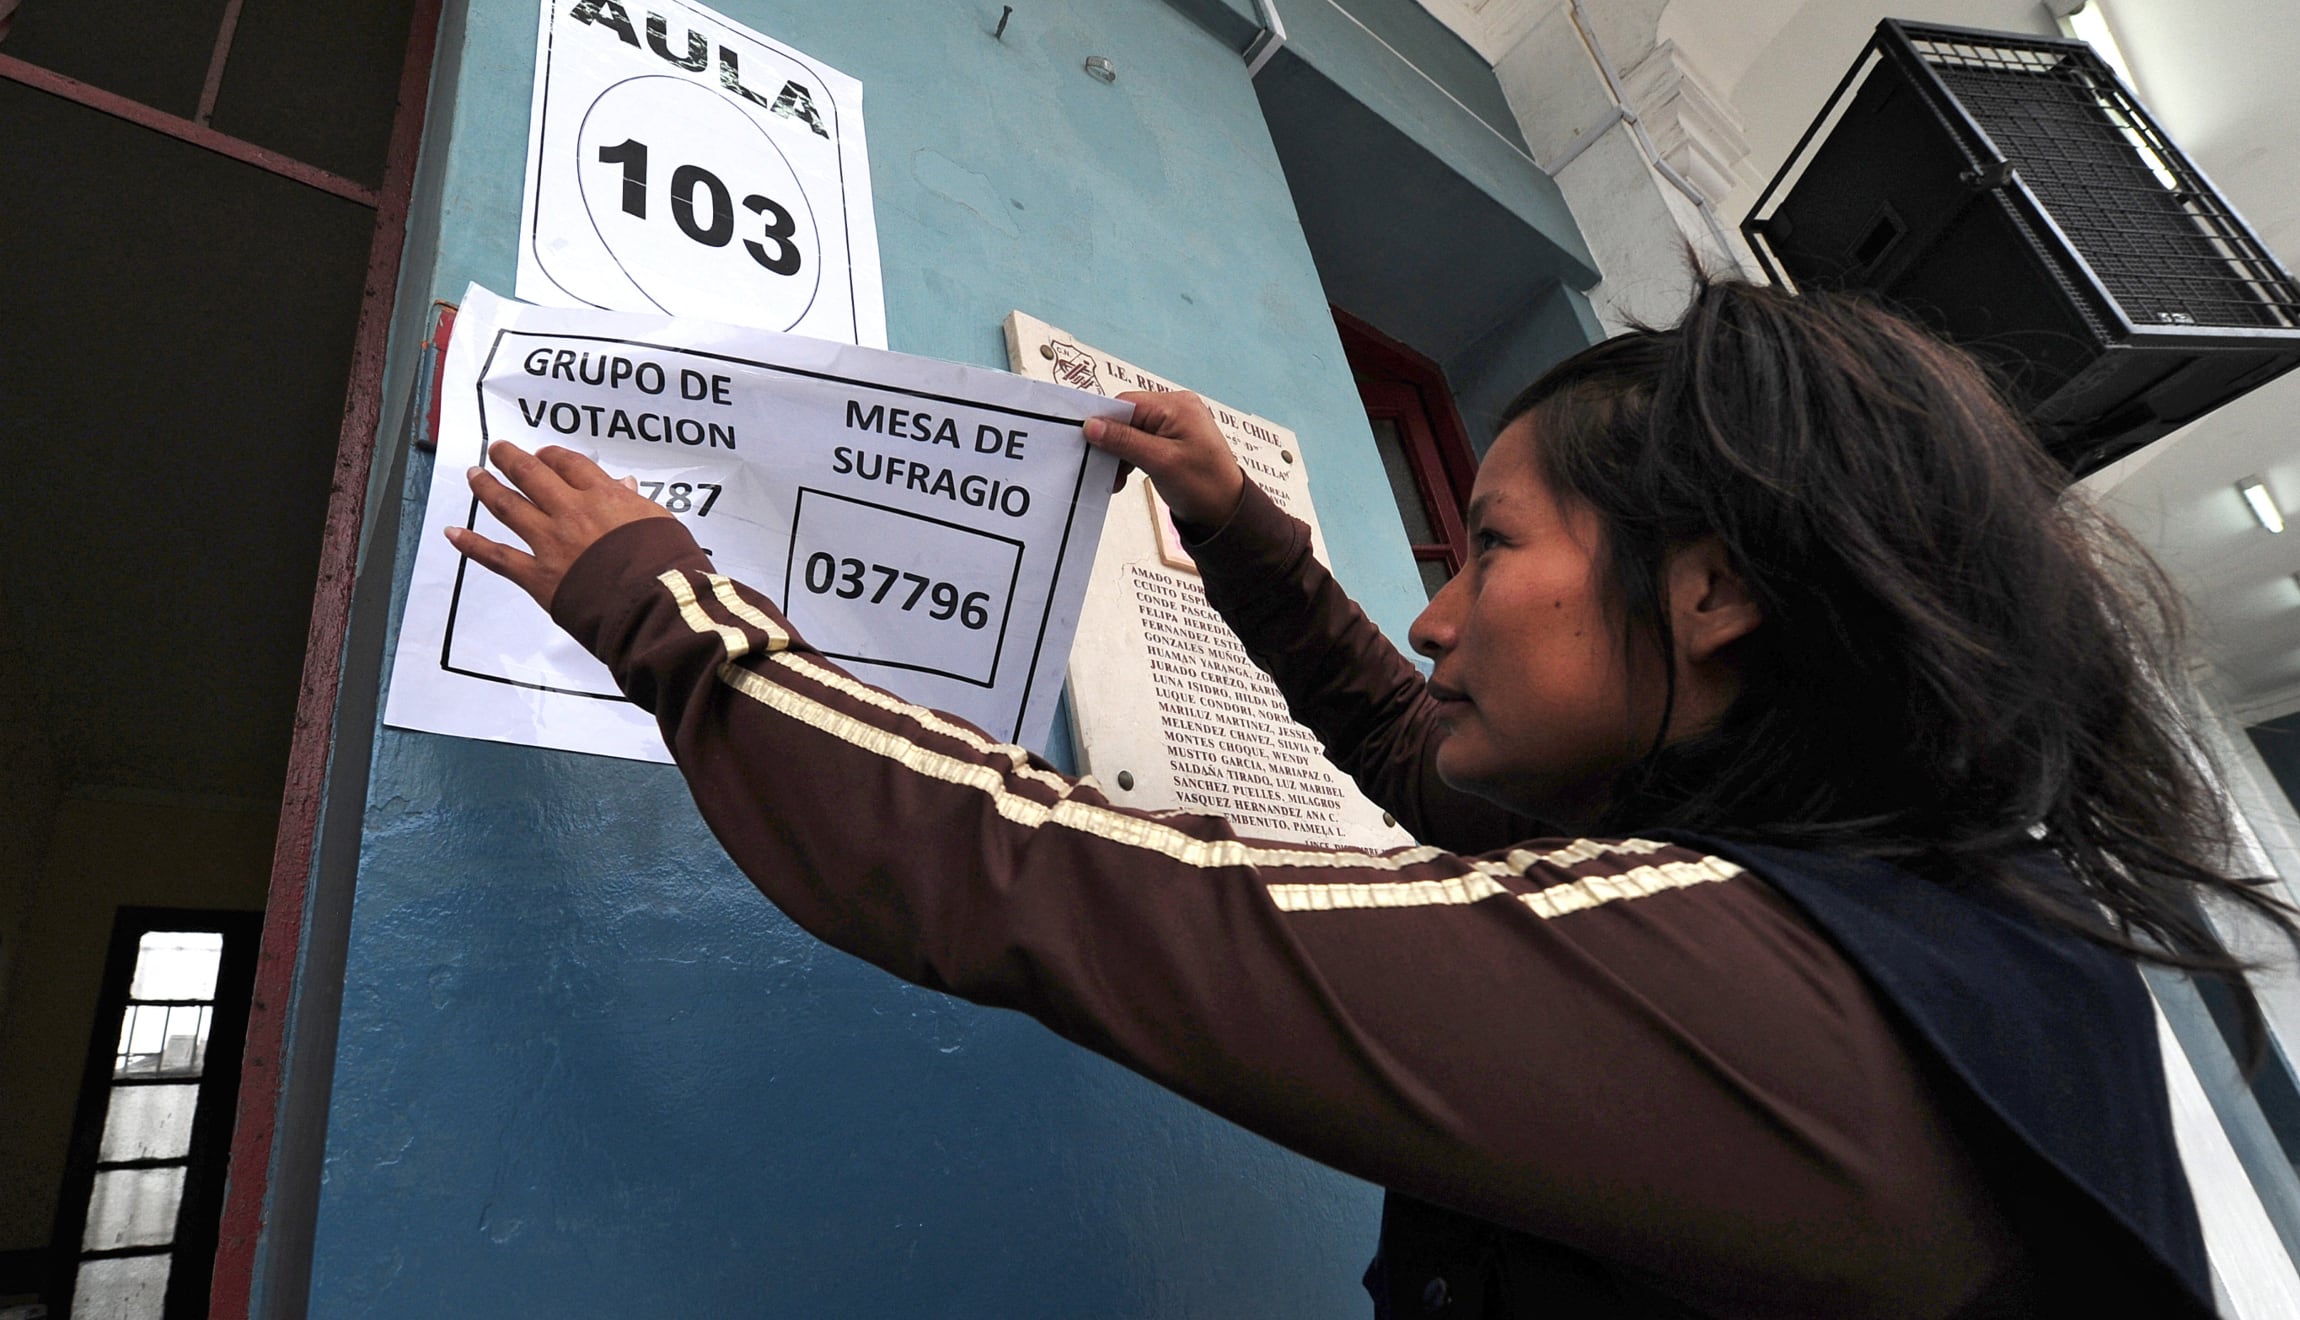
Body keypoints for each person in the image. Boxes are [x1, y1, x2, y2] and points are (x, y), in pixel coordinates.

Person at [446, 276, 2289, 1318]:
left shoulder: (1760, 998)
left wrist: (664, 608)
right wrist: (1243, 531)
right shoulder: (1909, 919)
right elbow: (1433, 773)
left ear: (1713, 590)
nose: (1436, 609)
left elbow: (1069, 885)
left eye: (1487, 545)